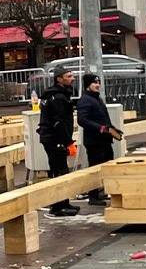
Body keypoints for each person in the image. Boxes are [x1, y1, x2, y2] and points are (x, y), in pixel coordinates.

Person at [39, 68, 80, 216]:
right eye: (69, 76)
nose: (73, 78)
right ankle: (58, 206)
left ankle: (64, 202)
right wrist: (68, 142)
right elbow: (59, 122)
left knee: (60, 169)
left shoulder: (57, 95)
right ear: (59, 79)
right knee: (59, 170)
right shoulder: (57, 97)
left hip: (52, 137)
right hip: (54, 138)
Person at [76, 73, 121, 205]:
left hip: (105, 140)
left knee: (107, 165)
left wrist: (112, 129)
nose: (97, 85)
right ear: (88, 85)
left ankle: (101, 192)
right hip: (94, 140)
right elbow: (82, 120)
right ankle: (93, 196)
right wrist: (100, 128)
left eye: (98, 83)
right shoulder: (85, 100)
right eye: (94, 83)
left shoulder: (97, 99)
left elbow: (104, 118)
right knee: (95, 167)